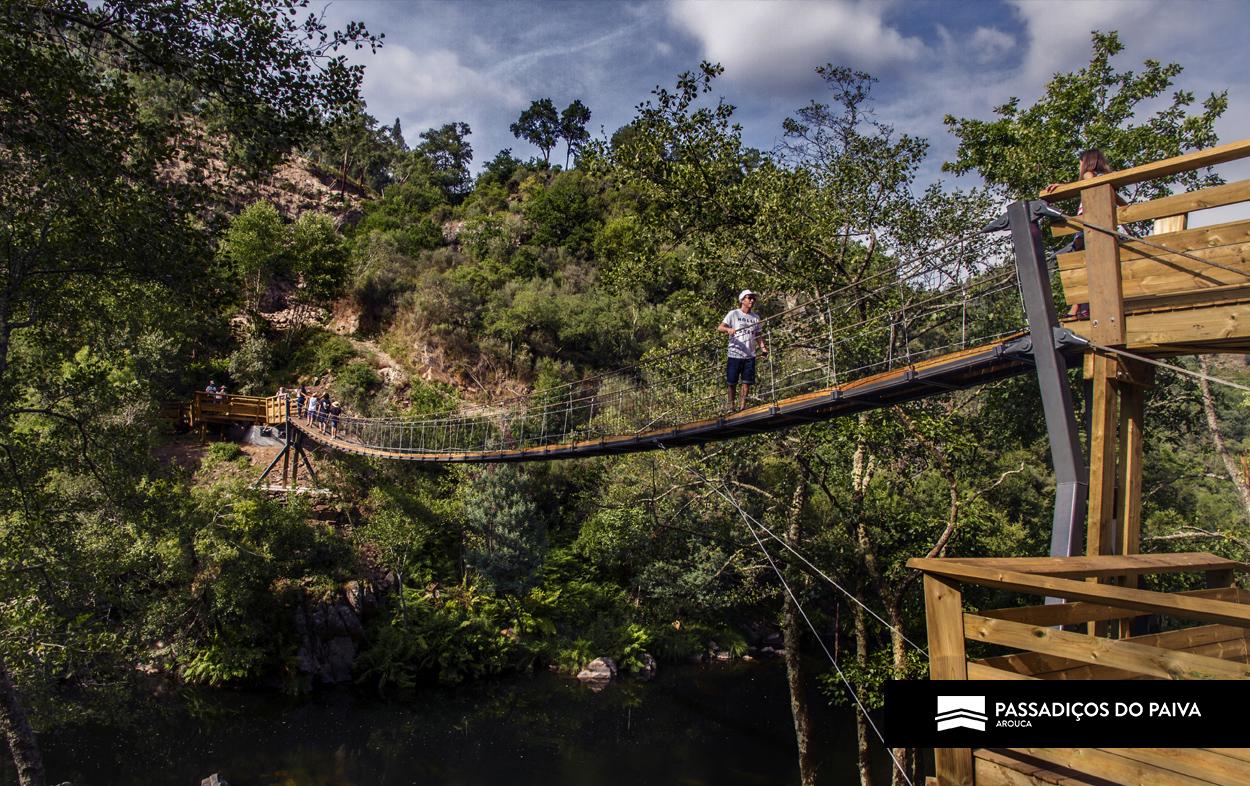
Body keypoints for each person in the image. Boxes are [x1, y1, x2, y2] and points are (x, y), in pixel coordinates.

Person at [717, 289, 768, 413]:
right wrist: (728, 330)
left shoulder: (756, 318)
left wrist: (763, 349)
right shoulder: (733, 314)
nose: (752, 301)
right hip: (735, 353)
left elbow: (758, 334)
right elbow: (720, 327)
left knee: (746, 383)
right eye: (749, 298)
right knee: (732, 382)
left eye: (753, 299)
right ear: (742, 300)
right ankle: (731, 408)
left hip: (749, 355)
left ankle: (742, 408)